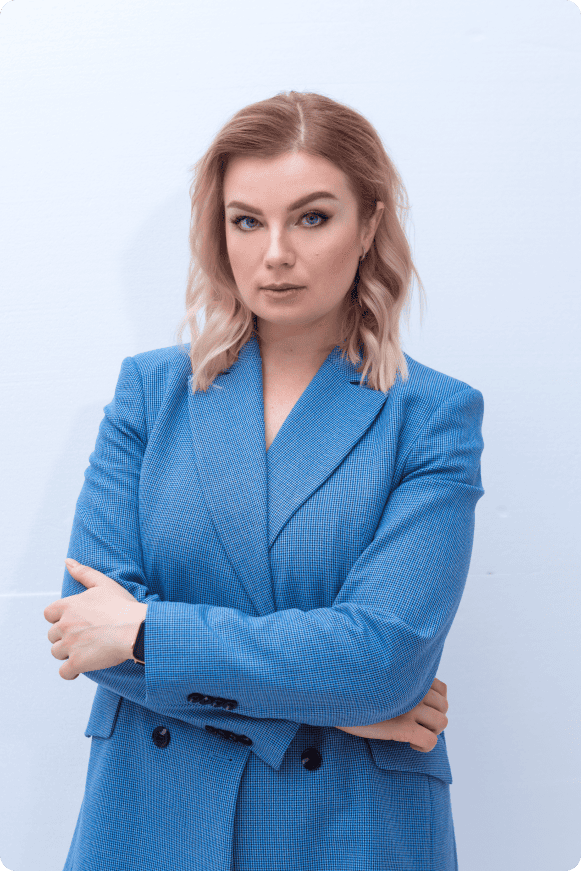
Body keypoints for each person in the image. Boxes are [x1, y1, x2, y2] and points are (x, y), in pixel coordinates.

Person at [44, 90, 485, 871]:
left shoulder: (431, 415)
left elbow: (382, 660)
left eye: (311, 217)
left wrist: (148, 633)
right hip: (153, 817)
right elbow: (85, 628)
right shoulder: (151, 392)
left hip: (346, 824)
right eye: (246, 221)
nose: (275, 252)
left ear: (369, 225)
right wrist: (337, 708)